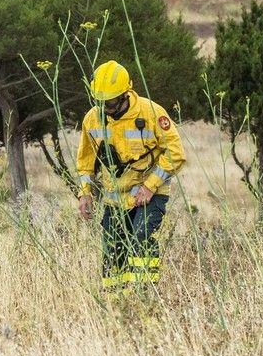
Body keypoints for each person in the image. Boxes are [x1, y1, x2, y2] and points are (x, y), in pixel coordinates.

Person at [76, 60, 185, 296]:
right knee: (112, 249)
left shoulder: (151, 112)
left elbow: (176, 154)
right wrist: (85, 194)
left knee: (140, 238)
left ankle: (144, 295)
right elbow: (85, 162)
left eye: (110, 102)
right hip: (115, 199)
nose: (104, 107)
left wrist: (150, 186)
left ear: (125, 95)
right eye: (99, 102)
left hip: (151, 194)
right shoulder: (92, 119)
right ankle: (117, 303)